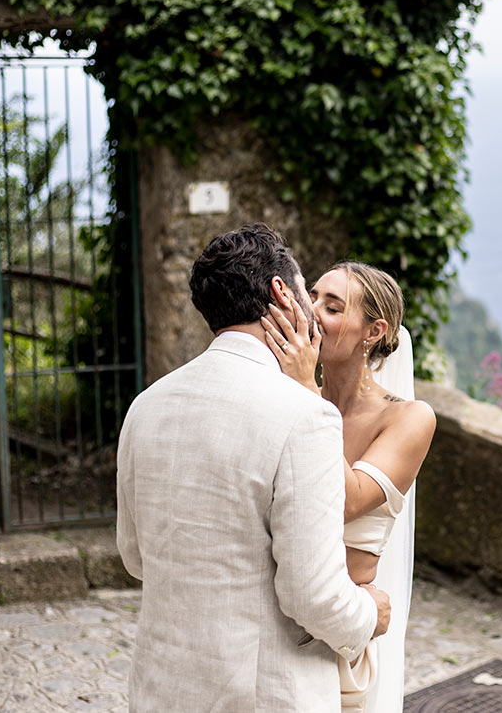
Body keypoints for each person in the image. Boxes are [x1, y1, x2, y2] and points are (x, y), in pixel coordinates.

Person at [116, 224, 391, 713]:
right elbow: (312, 596)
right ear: (281, 293)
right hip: (261, 694)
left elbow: (135, 557)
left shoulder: (146, 405)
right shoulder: (306, 416)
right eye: (307, 290)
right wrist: (370, 612)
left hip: (161, 686)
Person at [260, 261, 435, 713]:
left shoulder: (409, 418)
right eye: (312, 296)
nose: (311, 310)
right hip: (270, 622)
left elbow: (348, 499)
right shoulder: (288, 398)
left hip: (338, 638)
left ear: (373, 331)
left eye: (332, 307)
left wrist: (302, 386)